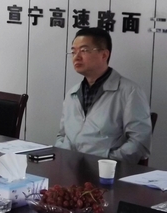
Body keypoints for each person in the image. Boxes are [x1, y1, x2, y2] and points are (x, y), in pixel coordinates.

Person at [55, 28, 152, 163]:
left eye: (84, 50)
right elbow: (62, 135)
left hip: (106, 169)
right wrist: (64, 157)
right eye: (73, 51)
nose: (76, 57)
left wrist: (108, 161)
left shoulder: (130, 92)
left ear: (104, 55)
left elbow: (139, 142)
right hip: (69, 165)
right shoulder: (72, 93)